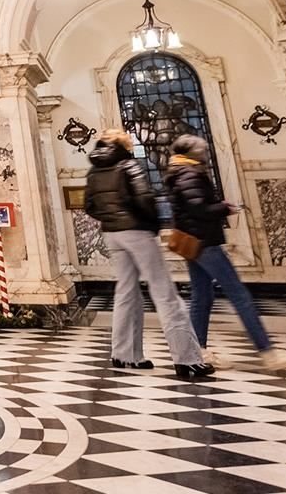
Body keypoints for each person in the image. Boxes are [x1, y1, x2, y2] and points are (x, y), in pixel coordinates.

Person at [166, 135, 286, 371]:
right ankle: (268, 353)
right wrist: (223, 208)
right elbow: (198, 207)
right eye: (202, 150)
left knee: (202, 297)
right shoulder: (189, 174)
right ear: (192, 153)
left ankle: (197, 350)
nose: (205, 153)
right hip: (204, 242)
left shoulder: (179, 172)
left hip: (194, 242)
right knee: (239, 295)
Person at [84, 131, 209, 380]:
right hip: (137, 232)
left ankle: (124, 354)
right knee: (165, 293)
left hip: (112, 234)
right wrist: (153, 224)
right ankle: (188, 360)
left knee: (126, 292)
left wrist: (111, 220)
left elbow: (89, 206)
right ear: (124, 145)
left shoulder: (94, 171)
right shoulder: (128, 165)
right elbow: (144, 197)